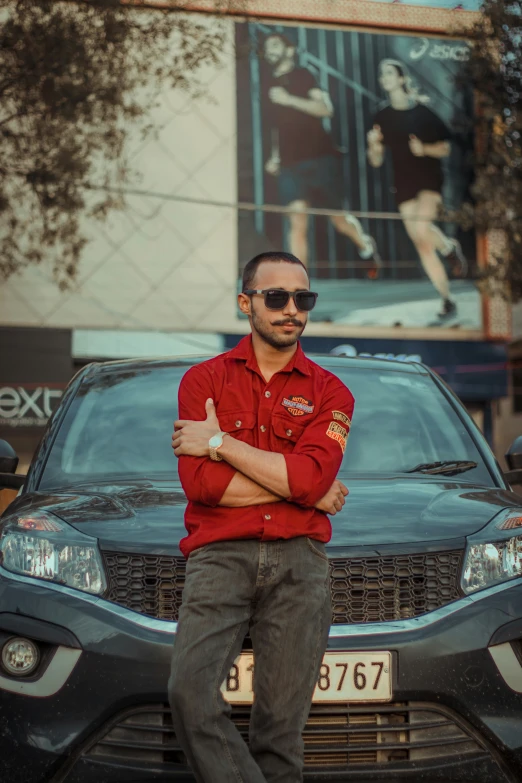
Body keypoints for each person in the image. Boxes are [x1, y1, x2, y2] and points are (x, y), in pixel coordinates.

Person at [169, 251, 354, 783]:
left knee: (279, 733)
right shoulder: (202, 382)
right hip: (219, 557)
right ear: (246, 303)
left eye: (303, 298)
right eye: (277, 297)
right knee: (189, 695)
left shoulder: (332, 392)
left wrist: (221, 442)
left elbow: (313, 479)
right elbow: (203, 486)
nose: (291, 309)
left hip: (301, 563)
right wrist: (301, 489)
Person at [263, 33, 381, 278]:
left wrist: (288, 100)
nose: (269, 51)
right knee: (297, 224)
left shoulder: (304, 74)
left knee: (338, 220)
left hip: (319, 158)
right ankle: (298, 285)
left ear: (289, 50)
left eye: (275, 45)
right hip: (289, 164)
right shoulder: (268, 85)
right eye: (266, 48)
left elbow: (325, 109)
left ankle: (366, 246)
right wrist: (274, 156)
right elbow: (276, 126)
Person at [366, 58, 468, 320]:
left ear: (401, 78)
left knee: (422, 228)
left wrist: (423, 149)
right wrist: (374, 146)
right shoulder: (382, 115)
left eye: (389, 73)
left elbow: (446, 148)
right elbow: (376, 161)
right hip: (402, 183)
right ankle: (447, 298)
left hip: (429, 179)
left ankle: (448, 249)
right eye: (381, 74)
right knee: (422, 244)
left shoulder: (422, 112)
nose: (384, 78)